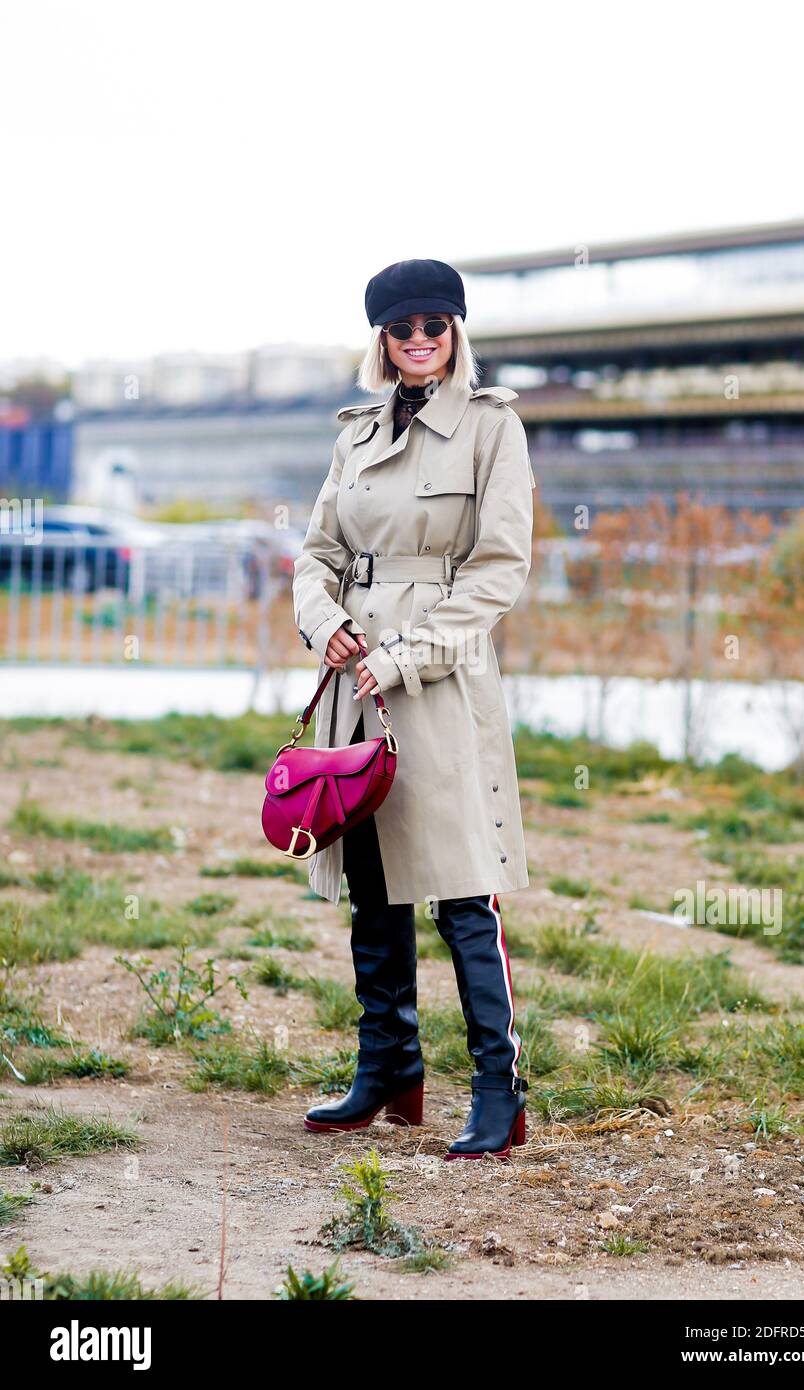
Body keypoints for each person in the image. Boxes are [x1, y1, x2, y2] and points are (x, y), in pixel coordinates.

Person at [291, 258, 536, 1159]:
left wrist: (404, 655)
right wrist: (324, 624)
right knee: (372, 885)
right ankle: (389, 1070)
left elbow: (499, 570)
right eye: (405, 328)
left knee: (463, 889)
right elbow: (315, 551)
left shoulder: (491, 427)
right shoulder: (354, 432)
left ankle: (499, 1093)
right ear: (382, 342)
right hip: (354, 682)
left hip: (438, 679)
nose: (422, 339)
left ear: (456, 332)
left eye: (437, 323)